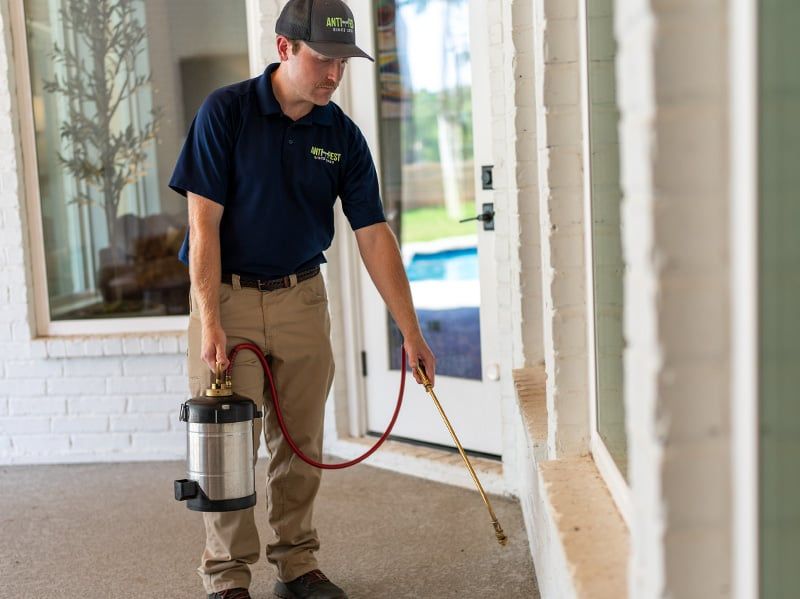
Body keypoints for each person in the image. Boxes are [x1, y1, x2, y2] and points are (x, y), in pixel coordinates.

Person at [168, 0, 436, 597]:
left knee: (300, 442)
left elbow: (373, 234)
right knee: (225, 437)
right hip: (228, 298)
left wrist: (410, 332)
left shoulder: (340, 135)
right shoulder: (226, 112)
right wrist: (210, 321)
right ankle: (227, 576)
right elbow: (202, 224)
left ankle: (296, 562)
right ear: (285, 48)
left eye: (343, 62)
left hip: (301, 299)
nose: (334, 74)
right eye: (324, 58)